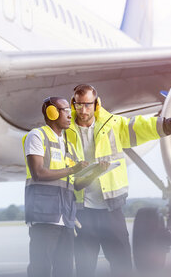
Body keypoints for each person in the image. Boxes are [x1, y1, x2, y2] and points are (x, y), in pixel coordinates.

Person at [66, 84, 171, 277]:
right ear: (73, 103)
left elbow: (143, 127)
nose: (83, 110)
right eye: (78, 105)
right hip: (82, 212)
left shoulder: (112, 124)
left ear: (96, 104)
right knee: (84, 267)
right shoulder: (65, 130)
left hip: (110, 209)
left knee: (122, 265)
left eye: (87, 105)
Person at [23, 96, 107, 277]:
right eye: (66, 111)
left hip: (66, 218)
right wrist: (72, 169)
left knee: (65, 270)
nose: (71, 115)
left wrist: (95, 173)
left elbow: (75, 185)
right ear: (52, 113)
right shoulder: (37, 136)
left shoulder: (66, 144)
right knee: (41, 269)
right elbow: (38, 172)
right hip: (44, 216)